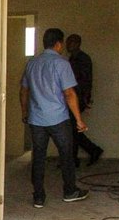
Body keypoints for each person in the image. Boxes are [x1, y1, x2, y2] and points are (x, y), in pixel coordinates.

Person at [20, 28, 89, 208]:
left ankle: (38, 197)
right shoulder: (61, 63)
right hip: (59, 118)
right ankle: (69, 191)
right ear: (58, 44)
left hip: (36, 119)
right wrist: (79, 120)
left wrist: (24, 112)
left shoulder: (31, 63)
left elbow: (24, 91)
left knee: (38, 157)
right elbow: (69, 93)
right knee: (66, 155)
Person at [65, 34, 104, 166]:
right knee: (72, 130)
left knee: (73, 130)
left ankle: (89, 152)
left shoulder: (83, 59)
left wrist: (86, 98)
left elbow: (87, 80)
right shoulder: (72, 59)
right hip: (72, 97)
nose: (68, 44)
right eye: (67, 42)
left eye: (71, 42)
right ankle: (86, 153)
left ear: (77, 43)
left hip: (77, 97)